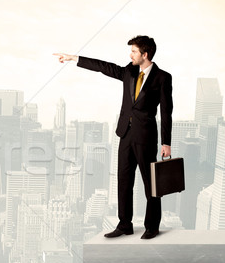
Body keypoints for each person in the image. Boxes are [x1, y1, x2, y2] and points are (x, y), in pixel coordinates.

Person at [54, 35, 172, 239]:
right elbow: (104, 66)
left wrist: (166, 142)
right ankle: (124, 224)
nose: (130, 54)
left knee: (150, 183)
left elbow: (166, 112)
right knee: (124, 180)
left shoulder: (162, 78)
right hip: (125, 134)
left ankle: (152, 226)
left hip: (146, 137)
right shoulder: (129, 71)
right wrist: (75, 58)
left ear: (145, 54)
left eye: (134, 51)